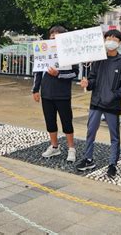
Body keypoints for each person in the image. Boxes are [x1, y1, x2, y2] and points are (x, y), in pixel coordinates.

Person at [76, 29, 121, 177]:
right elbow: (93, 79)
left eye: (115, 38)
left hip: (112, 105)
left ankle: (112, 164)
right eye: (108, 37)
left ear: (119, 42)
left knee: (114, 136)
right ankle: (88, 159)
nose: (111, 40)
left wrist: (114, 95)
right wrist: (88, 83)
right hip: (96, 102)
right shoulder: (98, 59)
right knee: (90, 132)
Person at [32, 26, 79, 162]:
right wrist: (35, 89)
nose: (53, 39)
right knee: (50, 121)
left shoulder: (69, 54)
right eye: (52, 37)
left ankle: (71, 148)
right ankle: (54, 146)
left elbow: (75, 73)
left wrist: (58, 74)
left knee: (66, 121)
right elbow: (38, 71)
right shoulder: (44, 51)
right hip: (47, 93)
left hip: (63, 94)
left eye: (57, 37)